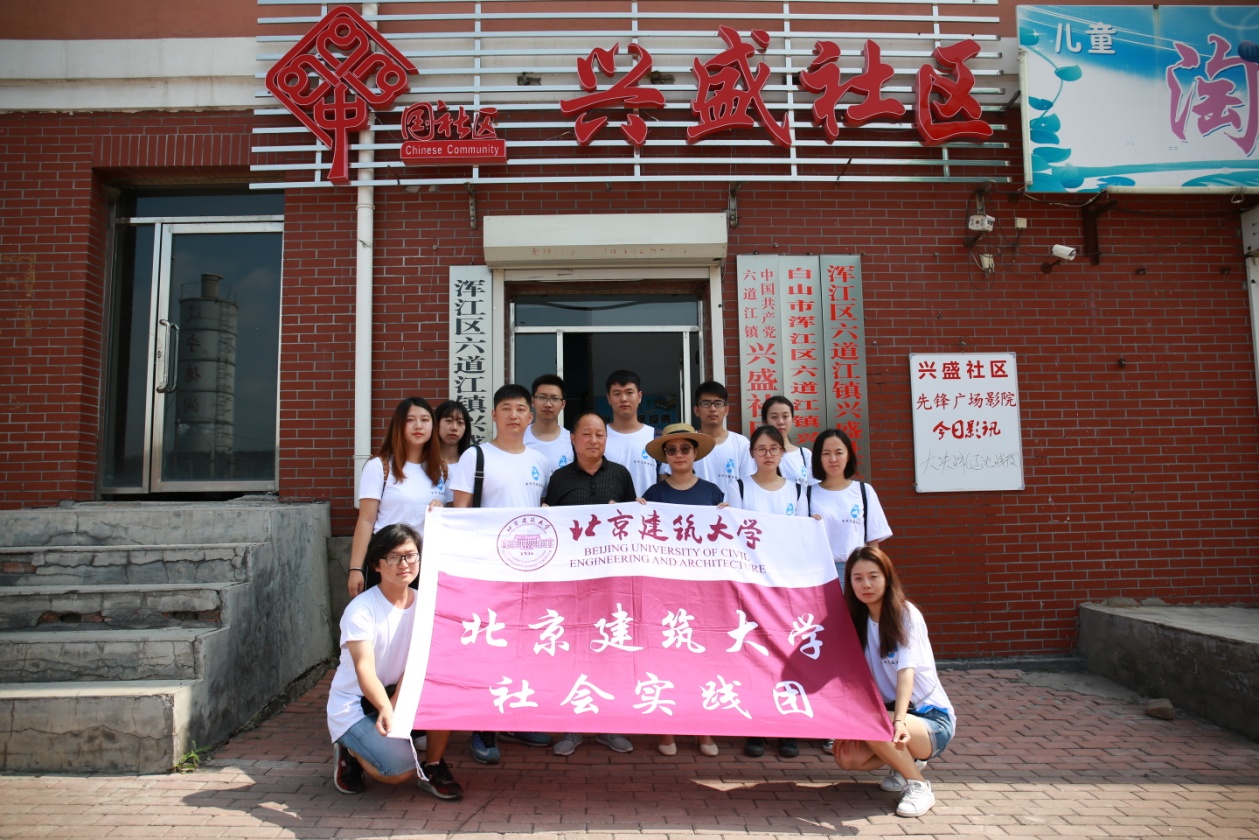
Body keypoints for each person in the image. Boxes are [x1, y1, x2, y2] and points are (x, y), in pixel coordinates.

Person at [450, 383, 554, 763]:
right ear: (493, 415)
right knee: (488, 647)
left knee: (523, 646)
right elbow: (459, 514)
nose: (514, 415)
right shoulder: (475, 456)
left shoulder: (540, 461)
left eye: (521, 409)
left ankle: (515, 718)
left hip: (528, 572)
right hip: (486, 570)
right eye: (506, 408)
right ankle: (483, 727)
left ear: (530, 415)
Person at [328, 524, 462, 800]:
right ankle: (350, 749)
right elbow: (364, 669)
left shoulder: (428, 605)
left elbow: (422, 661)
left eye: (411, 556)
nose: (404, 564)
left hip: (399, 693)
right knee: (397, 771)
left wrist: (397, 700)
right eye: (393, 557)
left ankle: (433, 766)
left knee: (446, 690)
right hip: (357, 702)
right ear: (376, 565)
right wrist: (385, 708)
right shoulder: (361, 610)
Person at [833, 546, 955, 818]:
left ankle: (918, 786)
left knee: (873, 723)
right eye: (858, 578)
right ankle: (905, 764)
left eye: (873, 576)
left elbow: (905, 673)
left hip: (931, 719)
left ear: (887, 578)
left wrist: (898, 720)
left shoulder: (905, 614)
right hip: (887, 713)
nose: (866, 584)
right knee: (847, 757)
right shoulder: (856, 621)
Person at [542, 411, 637, 757]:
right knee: (574, 650)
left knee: (609, 648)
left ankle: (610, 726)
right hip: (571, 582)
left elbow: (634, 523)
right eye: (586, 434)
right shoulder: (559, 478)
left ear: (606, 439)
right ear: (573, 438)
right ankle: (573, 726)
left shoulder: (620, 475)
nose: (593, 440)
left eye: (599, 434)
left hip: (611, 580)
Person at [723, 424, 806, 760]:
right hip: (751, 583)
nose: (768, 454)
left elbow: (802, 536)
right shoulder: (739, 487)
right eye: (761, 449)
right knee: (754, 654)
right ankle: (756, 728)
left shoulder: (798, 491)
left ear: (782, 453)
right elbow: (733, 533)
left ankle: (787, 728)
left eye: (774, 449)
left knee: (786, 654)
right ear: (752, 454)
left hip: (786, 584)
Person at [642, 422, 723, 756]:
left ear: (695, 453)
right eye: (672, 450)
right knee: (666, 658)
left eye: (685, 449)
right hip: (664, 589)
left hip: (702, 590)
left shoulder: (713, 494)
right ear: (664, 456)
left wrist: (727, 517)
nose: (679, 455)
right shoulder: (653, 495)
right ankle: (667, 731)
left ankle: (704, 730)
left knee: (702, 658)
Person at [349, 397, 445, 598]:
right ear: (398, 425)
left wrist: (443, 508)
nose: (418, 426)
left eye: (425, 420)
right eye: (410, 420)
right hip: (389, 561)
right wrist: (355, 568)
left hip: (429, 562)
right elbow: (366, 520)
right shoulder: (379, 466)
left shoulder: (441, 469)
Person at [807, 427, 892, 578]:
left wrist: (875, 574)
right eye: (826, 453)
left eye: (839, 452)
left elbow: (873, 542)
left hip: (856, 571)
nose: (833, 459)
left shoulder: (864, 491)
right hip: (819, 573)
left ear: (848, 456)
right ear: (818, 458)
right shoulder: (807, 494)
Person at [671, 381, 751, 498]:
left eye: (718, 403)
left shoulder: (742, 444)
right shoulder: (685, 442)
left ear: (726, 410)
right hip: (693, 507)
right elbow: (666, 477)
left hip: (730, 507)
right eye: (706, 403)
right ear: (696, 410)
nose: (712, 409)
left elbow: (748, 483)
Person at [602, 369, 661, 496]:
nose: (624, 399)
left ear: (640, 396)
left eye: (629, 393)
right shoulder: (598, 437)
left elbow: (665, 483)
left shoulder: (656, 437)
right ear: (608, 398)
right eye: (617, 393)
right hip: (608, 508)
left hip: (648, 508)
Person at [523, 374, 573, 474]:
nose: (548, 404)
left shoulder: (572, 440)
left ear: (563, 404)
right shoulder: (519, 437)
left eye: (554, 398)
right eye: (542, 397)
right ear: (532, 401)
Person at [762, 395, 813, 488]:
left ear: (792, 419)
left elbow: (815, 489)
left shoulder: (804, 455)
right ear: (765, 421)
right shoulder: (758, 455)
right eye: (774, 417)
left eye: (785, 416)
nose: (781, 422)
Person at [433, 399, 473, 504]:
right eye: (449, 421)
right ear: (436, 423)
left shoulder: (472, 463)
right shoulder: (424, 463)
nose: (454, 428)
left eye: (460, 423)